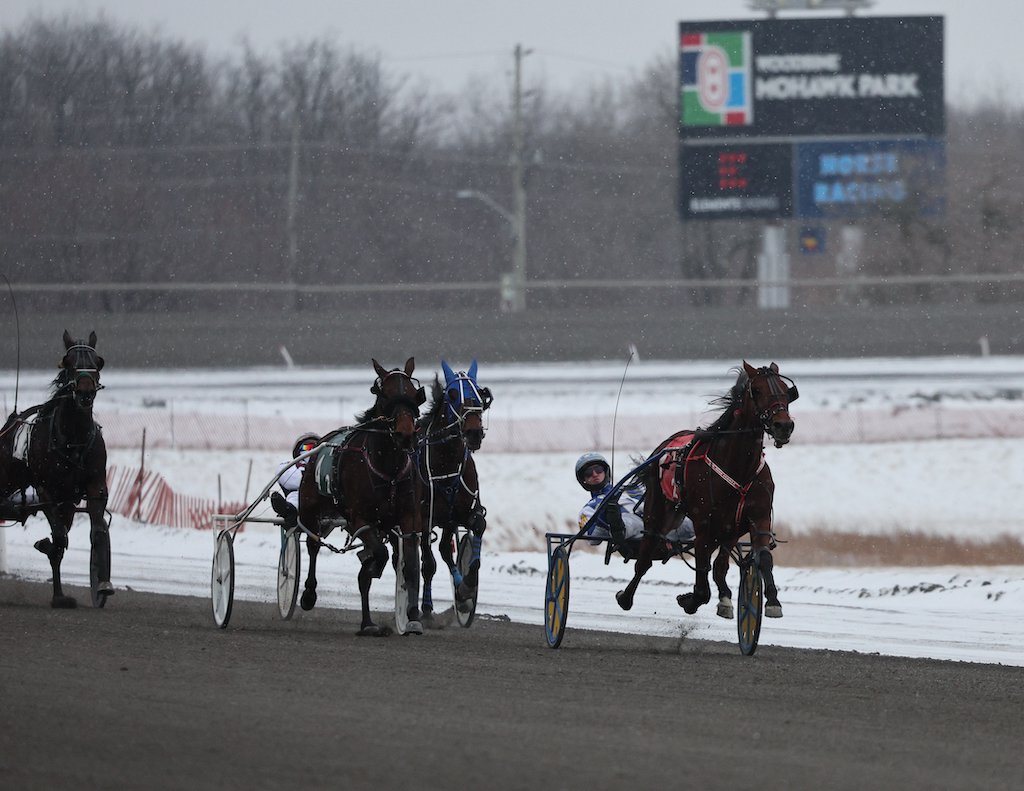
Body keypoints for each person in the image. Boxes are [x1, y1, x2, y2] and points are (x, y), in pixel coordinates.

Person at [575, 451, 694, 554]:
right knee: (630, 521)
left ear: (606, 471)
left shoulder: (630, 489)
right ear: (583, 480)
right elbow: (593, 540)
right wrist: (604, 513)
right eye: (588, 473)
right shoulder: (587, 510)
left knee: (692, 524)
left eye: (598, 469)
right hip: (634, 532)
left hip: (661, 524)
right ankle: (617, 525)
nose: (595, 474)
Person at [270, 432, 320, 530]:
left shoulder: (328, 467)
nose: (311, 450)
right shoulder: (288, 466)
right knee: (298, 497)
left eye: (315, 447)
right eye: (307, 447)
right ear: (298, 451)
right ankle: (288, 510)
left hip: (324, 498)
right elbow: (288, 480)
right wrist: (309, 480)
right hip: (300, 496)